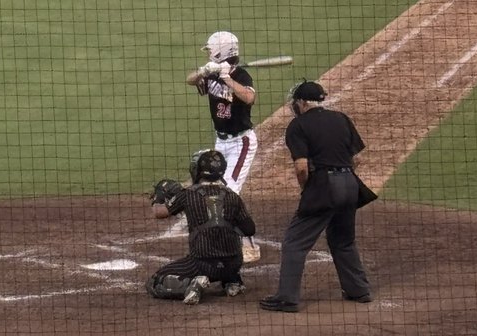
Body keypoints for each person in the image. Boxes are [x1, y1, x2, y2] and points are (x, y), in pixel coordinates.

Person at [260, 81, 375, 313]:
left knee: (294, 242)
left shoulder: (298, 125)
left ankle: (287, 298)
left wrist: (308, 189)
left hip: (324, 186)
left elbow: (301, 167)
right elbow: (357, 158)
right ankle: (358, 290)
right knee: (343, 241)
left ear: (302, 102)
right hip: (350, 185)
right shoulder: (341, 118)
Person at [146, 149, 257, 305]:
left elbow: (159, 213)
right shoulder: (233, 196)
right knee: (227, 252)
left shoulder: (187, 194)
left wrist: (158, 198)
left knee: (155, 281)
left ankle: (191, 285)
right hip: (233, 264)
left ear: (198, 170)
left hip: (202, 265)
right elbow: (250, 229)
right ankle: (232, 281)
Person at [185, 30, 258, 194]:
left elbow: (249, 98)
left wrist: (226, 78)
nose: (209, 54)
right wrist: (203, 71)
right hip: (220, 141)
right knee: (214, 186)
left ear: (220, 51)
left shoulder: (241, 75)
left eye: (210, 50)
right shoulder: (211, 74)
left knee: (230, 189)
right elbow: (189, 80)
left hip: (241, 142)